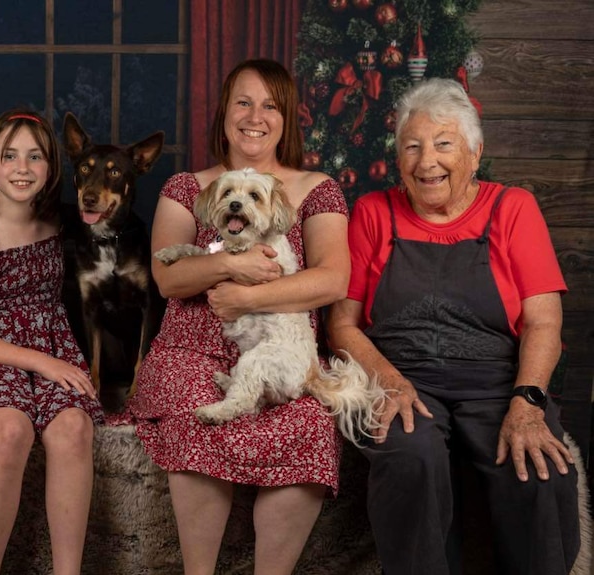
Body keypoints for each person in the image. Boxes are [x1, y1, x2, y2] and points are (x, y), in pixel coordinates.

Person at [326, 78, 580, 574]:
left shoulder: (514, 207)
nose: (427, 162)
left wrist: (527, 402)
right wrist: (388, 381)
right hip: (404, 380)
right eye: (412, 147)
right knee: (411, 457)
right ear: (398, 157)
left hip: (495, 382)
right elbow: (342, 324)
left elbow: (544, 322)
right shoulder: (374, 212)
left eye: (444, 144)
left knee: (541, 472)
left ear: (475, 152)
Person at [125, 58, 352, 574]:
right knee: (194, 419)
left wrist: (248, 298)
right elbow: (168, 278)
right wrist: (231, 262)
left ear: (286, 118)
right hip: (190, 353)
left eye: (270, 105)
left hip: (279, 356)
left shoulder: (316, 190)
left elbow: (333, 279)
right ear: (224, 113)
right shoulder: (188, 189)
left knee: (312, 427)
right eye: (243, 103)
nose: (256, 116)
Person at [0, 108, 103, 575]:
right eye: (9, 156)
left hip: (55, 348)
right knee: (12, 431)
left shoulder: (60, 227)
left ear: (52, 169)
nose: (22, 168)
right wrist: (40, 362)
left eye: (35, 157)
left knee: (74, 428)